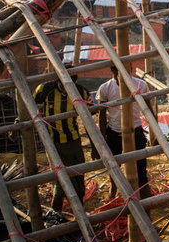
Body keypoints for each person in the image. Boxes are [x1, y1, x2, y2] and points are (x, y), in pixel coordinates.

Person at [32, 65, 88, 212]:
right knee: (60, 178)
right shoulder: (44, 90)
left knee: (78, 174)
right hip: (53, 141)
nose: (65, 89)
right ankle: (56, 212)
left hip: (73, 139)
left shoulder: (81, 92)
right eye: (63, 86)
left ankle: (79, 209)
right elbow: (29, 105)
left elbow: (88, 117)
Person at [95, 66, 151, 198]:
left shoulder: (140, 85)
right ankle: (113, 191)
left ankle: (145, 198)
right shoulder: (105, 88)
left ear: (129, 70)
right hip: (114, 132)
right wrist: (102, 138)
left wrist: (154, 132)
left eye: (120, 71)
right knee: (114, 168)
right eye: (115, 71)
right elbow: (102, 116)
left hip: (136, 131)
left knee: (141, 169)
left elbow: (149, 109)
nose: (117, 74)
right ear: (112, 71)